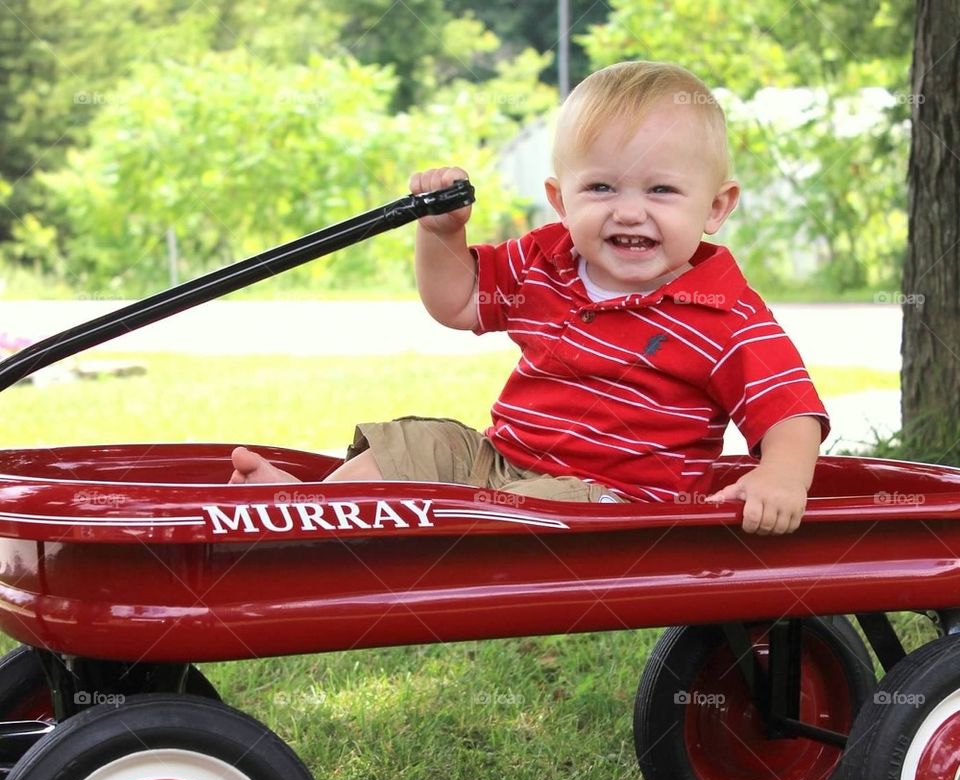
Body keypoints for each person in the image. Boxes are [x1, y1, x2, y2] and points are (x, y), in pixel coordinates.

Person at [231, 60, 828, 535]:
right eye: (601, 187)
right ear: (561, 200)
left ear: (716, 207)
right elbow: (458, 302)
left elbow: (789, 410)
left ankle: (334, 532)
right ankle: (309, 515)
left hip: (612, 503)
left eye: (662, 191)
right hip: (500, 464)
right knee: (422, 445)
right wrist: (441, 235)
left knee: (517, 512)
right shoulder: (546, 261)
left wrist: (781, 476)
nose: (628, 211)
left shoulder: (725, 313)